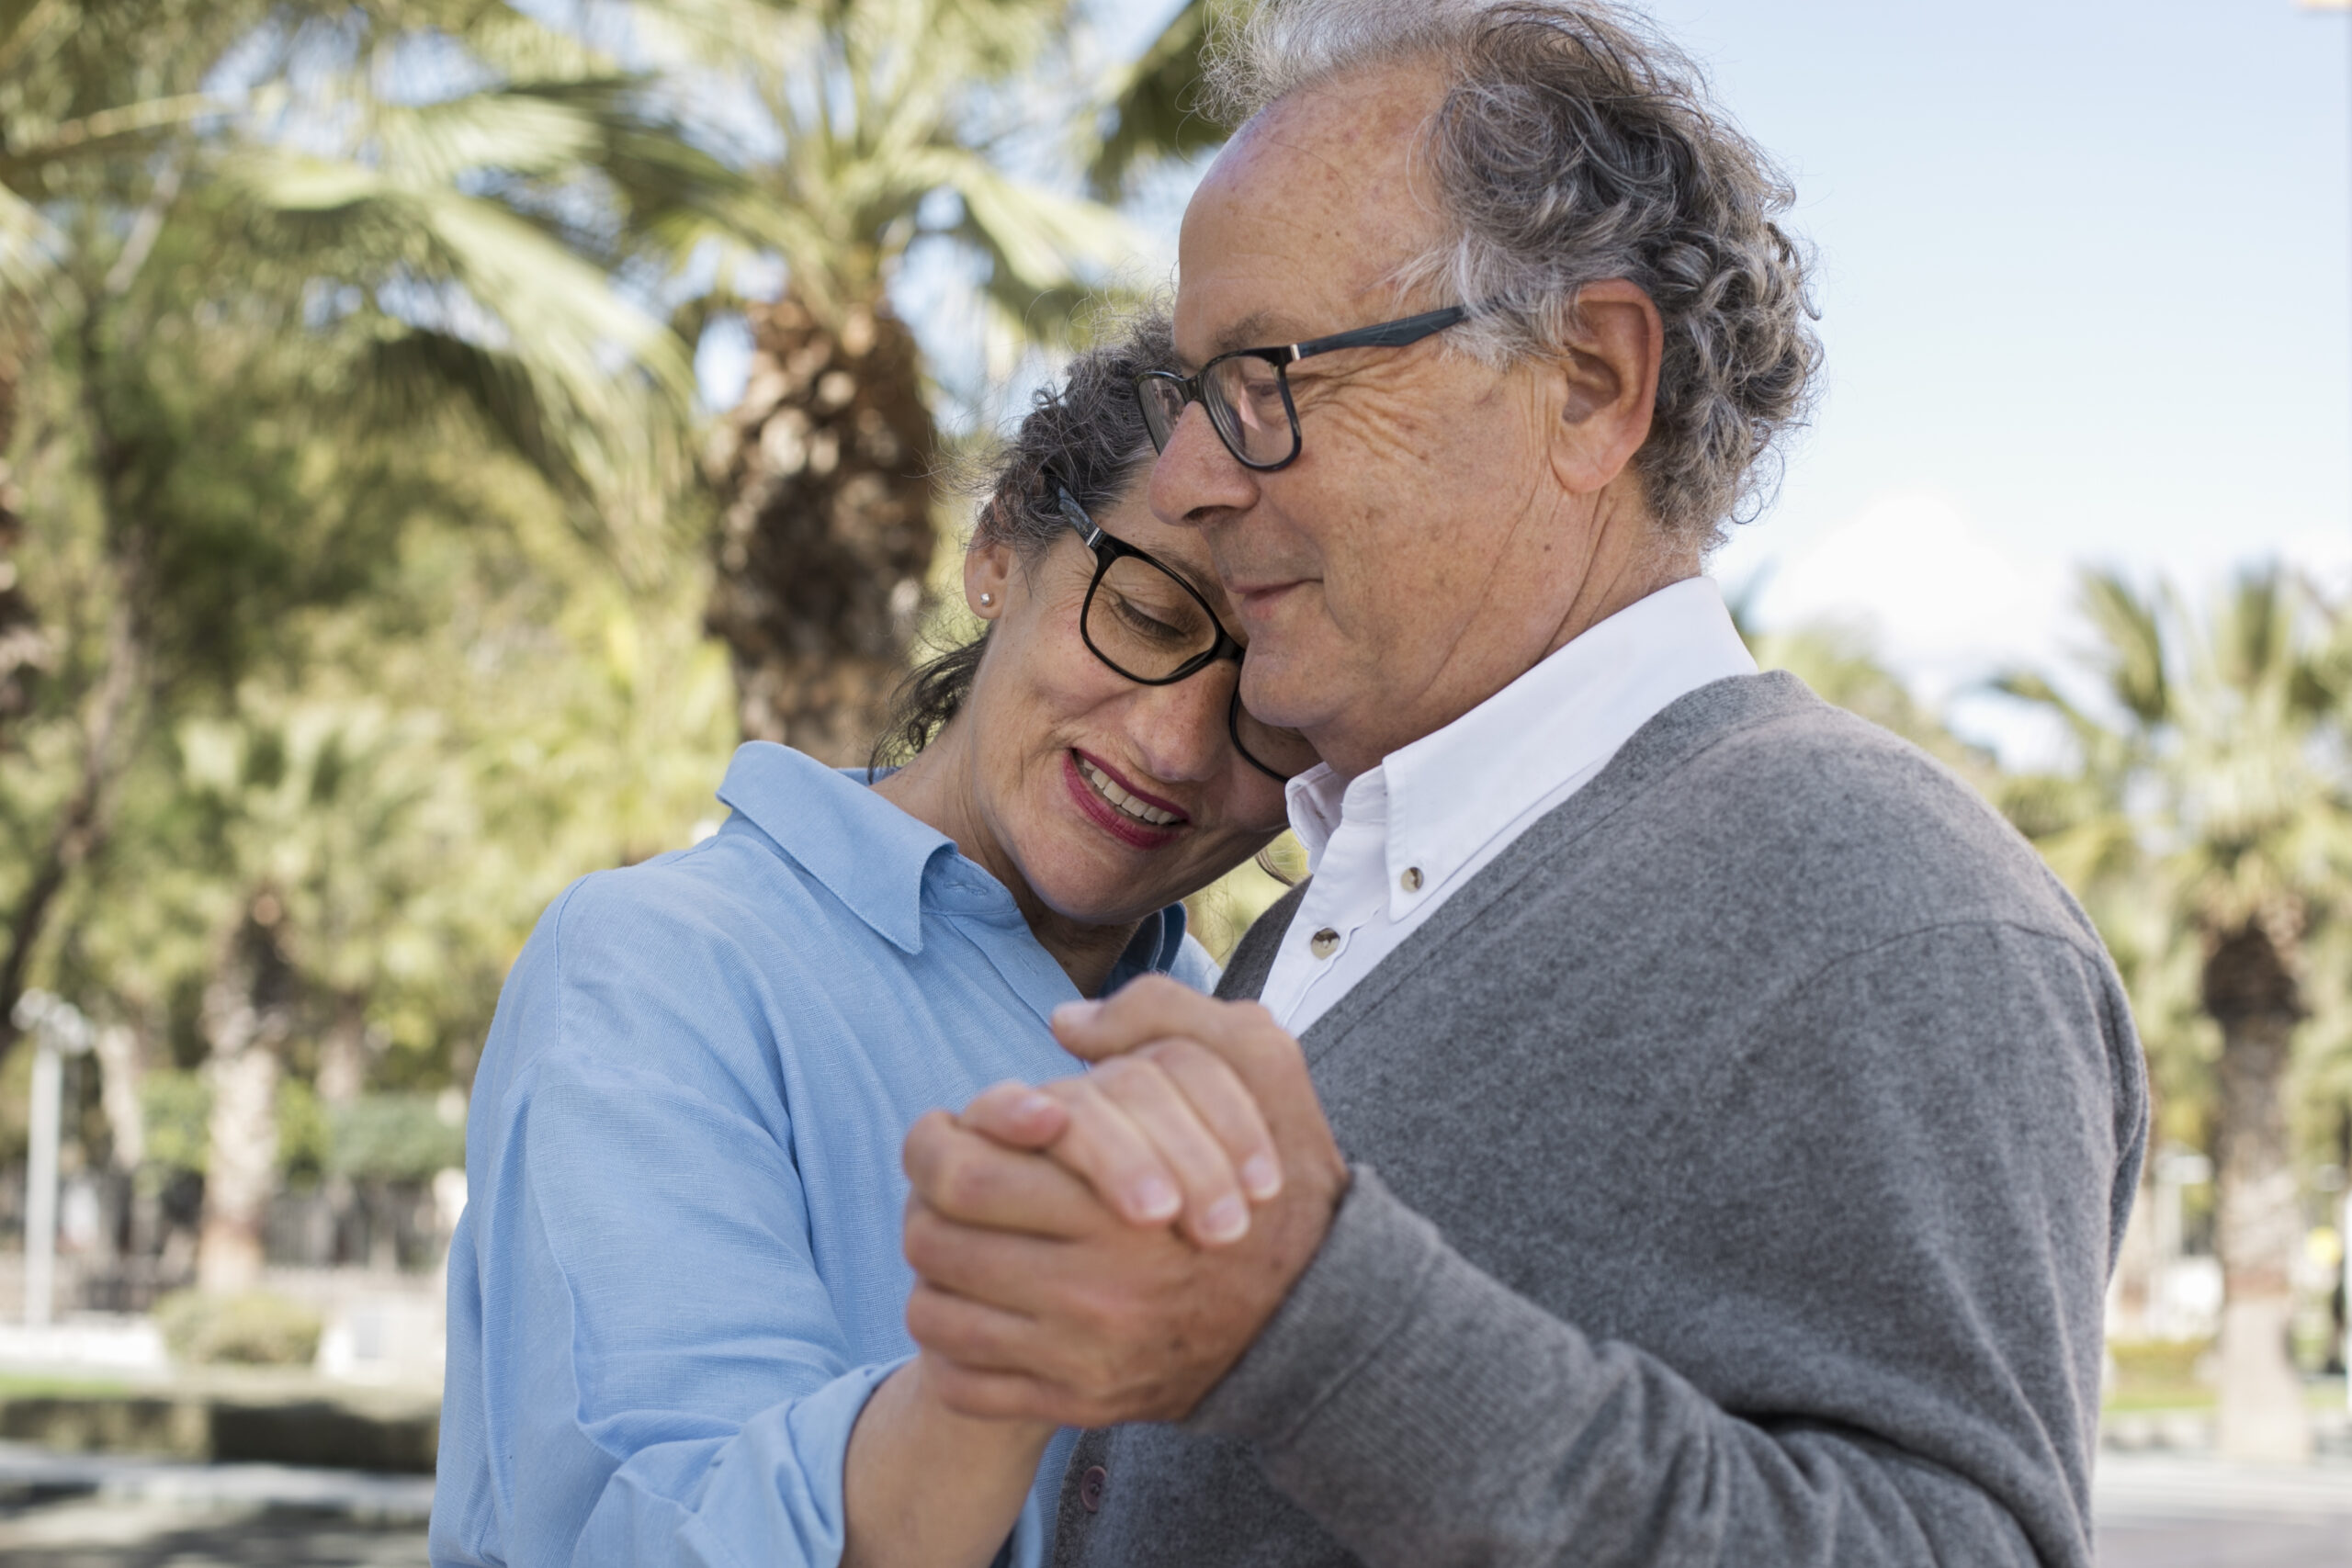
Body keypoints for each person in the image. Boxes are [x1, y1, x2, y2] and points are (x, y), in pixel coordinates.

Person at [897, 4, 2150, 1565]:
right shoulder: (1327, 909)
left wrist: (1312, 1326)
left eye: (1265, 380)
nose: (1197, 478)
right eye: (1196, 393)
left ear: (1591, 382)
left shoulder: (1892, 907)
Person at [428, 315, 1317, 1568]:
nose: (1174, 744)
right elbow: (660, 1532)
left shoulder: (1247, 1035)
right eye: (1148, 614)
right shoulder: (658, 965)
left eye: (1269, 698)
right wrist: (1010, 1351)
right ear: (999, 547)